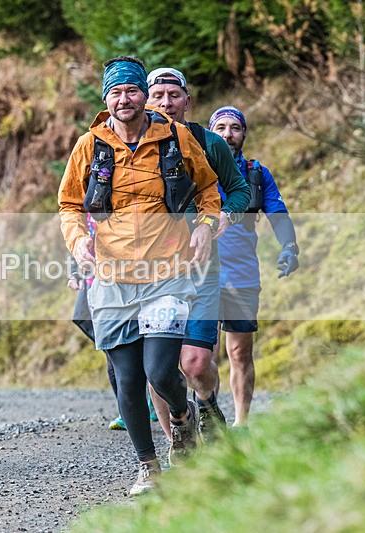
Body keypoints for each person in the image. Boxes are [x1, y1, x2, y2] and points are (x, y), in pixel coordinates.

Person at [58, 56, 221, 496]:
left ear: (143, 95)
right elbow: (70, 205)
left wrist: (205, 228)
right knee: (128, 378)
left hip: (166, 271)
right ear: (106, 99)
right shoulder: (89, 145)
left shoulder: (176, 137)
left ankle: (183, 418)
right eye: (116, 92)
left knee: (161, 371)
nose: (124, 99)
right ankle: (147, 466)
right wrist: (78, 243)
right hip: (110, 277)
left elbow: (208, 189)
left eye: (131, 91)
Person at [145, 68, 252, 442]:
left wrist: (224, 213)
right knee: (158, 367)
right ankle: (179, 439)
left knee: (195, 362)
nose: (165, 103)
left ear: (187, 101)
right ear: (145, 101)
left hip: (202, 268)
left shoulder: (210, 143)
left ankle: (207, 403)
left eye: (173, 95)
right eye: (157, 95)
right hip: (150, 270)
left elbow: (240, 191)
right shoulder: (132, 150)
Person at [209, 105, 299, 427]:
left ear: (244, 134)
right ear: (210, 132)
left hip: (242, 275)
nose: (227, 134)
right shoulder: (197, 167)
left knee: (240, 353)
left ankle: (241, 425)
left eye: (235, 128)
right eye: (220, 128)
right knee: (203, 356)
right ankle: (208, 420)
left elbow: (277, 212)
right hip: (200, 274)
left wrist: (289, 246)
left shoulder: (256, 174)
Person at [66, 214, 158, 432]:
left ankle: (153, 401)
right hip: (96, 286)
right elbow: (74, 233)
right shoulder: (84, 196)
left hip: (133, 280)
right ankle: (127, 410)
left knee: (145, 345)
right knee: (112, 351)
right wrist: (73, 272)